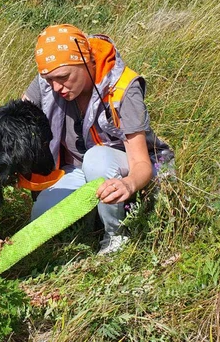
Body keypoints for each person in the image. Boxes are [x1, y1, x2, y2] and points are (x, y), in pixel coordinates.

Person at [21, 24, 174, 255]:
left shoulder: (123, 89)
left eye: (63, 78)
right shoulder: (50, 81)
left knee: (97, 159)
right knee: (41, 218)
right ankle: (89, 229)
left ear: (85, 60)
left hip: (128, 166)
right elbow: (17, 118)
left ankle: (116, 236)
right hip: (76, 169)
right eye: (49, 79)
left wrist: (128, 184)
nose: (56, 87)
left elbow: (141, 163)